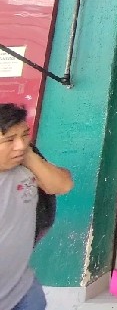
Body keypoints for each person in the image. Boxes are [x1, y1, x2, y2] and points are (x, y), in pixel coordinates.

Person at [1, 103, 73, 310]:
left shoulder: (26, 160)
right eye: (9, 140)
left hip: (23, 290)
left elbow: (62, 185)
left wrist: (30, 156)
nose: (20, 145)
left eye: (24, 135)